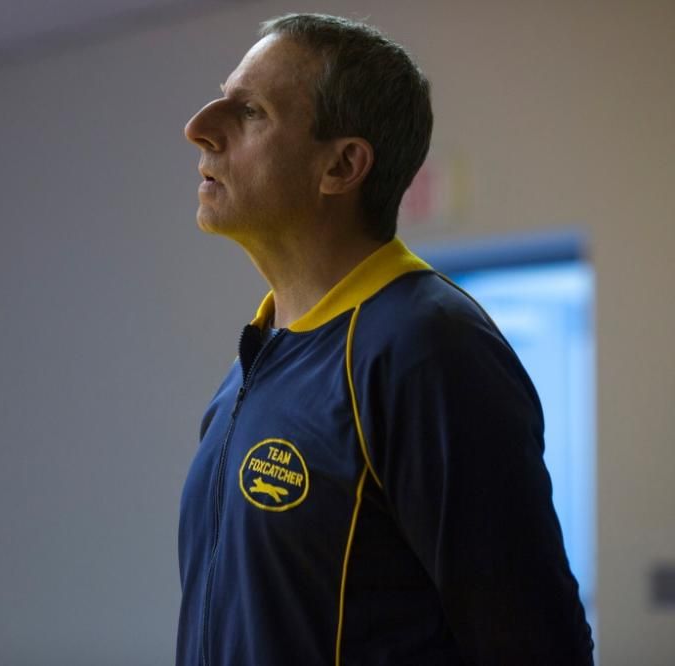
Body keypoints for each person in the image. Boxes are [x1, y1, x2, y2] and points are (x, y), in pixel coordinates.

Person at [176, 13, 594, 666]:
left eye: (250, 111)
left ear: (342, 165)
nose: (199, 127)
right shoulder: (252, 365)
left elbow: (537, 645)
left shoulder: (428, 348)